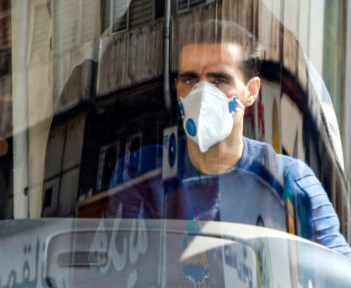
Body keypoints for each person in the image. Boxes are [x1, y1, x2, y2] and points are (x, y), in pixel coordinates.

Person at [109, 19, 351, 258]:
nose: (202, 94)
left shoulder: (291, 182)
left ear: (252, 92)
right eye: (190, 79)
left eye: (219, 80)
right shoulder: (140, 175)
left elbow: (339, 274)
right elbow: (124, 274)